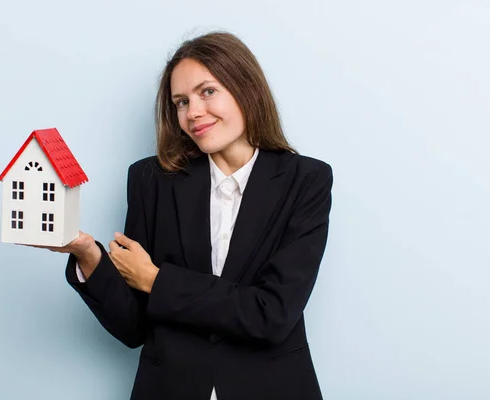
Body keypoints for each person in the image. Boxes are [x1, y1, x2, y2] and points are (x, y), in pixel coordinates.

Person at [42, 31, 333, 400]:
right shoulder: (151, 181)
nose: (192, 112)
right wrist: (88, 255)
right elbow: (134, 327)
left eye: (207, 91)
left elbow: (271, 315)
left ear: (248, 89)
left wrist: (157, 280)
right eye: (181, 102)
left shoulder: (307, 180)